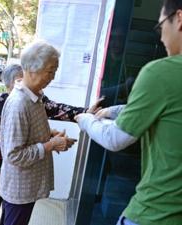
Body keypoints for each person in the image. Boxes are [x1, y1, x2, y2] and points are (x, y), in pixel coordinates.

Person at [75, 1, 182, 224]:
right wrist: (111, 111)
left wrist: (85, 119)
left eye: (160, 26)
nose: (161, 37)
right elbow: (167, 112)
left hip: (156, 214)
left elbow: (115, 139)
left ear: (179, 18)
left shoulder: (160, 72)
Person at [0, 64, 102, 225]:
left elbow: (57, 109)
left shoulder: (34, 98)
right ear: (12, 82)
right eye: (22, 77)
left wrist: (85, 112)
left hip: (18, 171)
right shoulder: (1, 101)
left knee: (9, 212)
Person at [0, 40, 77, 225]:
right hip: (19, 189)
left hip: (26, 186)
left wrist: (49, 135)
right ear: (32, 69)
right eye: (50, 71)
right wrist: (50, 145)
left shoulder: (33, 96)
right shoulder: (19, 103)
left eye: (54, 71)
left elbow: (25, 134)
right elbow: (14, 155)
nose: (53, 77)